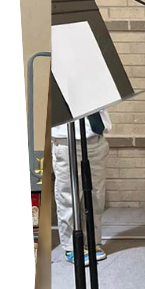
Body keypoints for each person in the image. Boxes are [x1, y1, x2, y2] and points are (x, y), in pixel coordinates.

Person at [51, 109, 111, 264]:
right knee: (69, 196)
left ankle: (92, 242)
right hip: (67, 139)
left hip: (95, 139)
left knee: (96, 196)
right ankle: (72, 247)